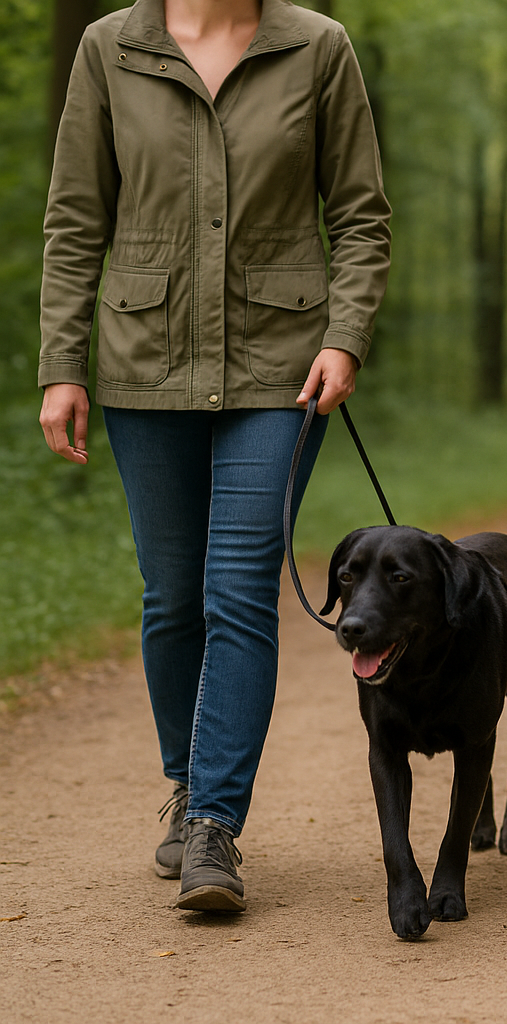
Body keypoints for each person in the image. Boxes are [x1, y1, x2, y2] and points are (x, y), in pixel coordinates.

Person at [38, 0, 389, 910]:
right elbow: (77, 218)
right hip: (142, 359)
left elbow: (359, 214)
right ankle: (188, 778)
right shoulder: (108, 48)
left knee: (238, 587)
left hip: (282, 364)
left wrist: (345, 336)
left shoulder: (318, 47)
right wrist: (60, 366)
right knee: (172, 595)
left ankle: (213, 827)